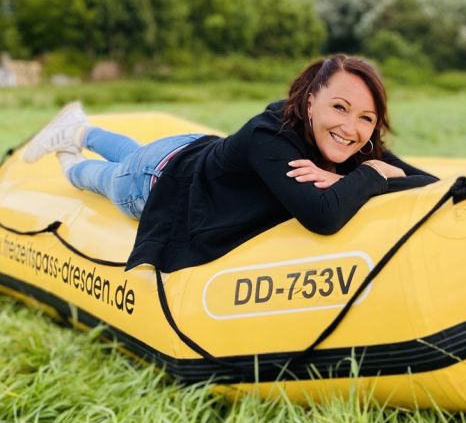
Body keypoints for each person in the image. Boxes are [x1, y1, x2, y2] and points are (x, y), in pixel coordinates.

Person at [23, 54, 438, 271]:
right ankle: (70, 150)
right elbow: (322, 216)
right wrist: (370, 173)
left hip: (189, 149)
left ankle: (80, 128)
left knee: (131, 152)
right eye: (340, 108)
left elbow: (427, 183)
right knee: (101, 176)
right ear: (311, 102)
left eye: (366, 117)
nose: (352, 128)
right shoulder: (269, 136)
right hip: (159, 181)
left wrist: (378, 171)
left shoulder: (351, 140)